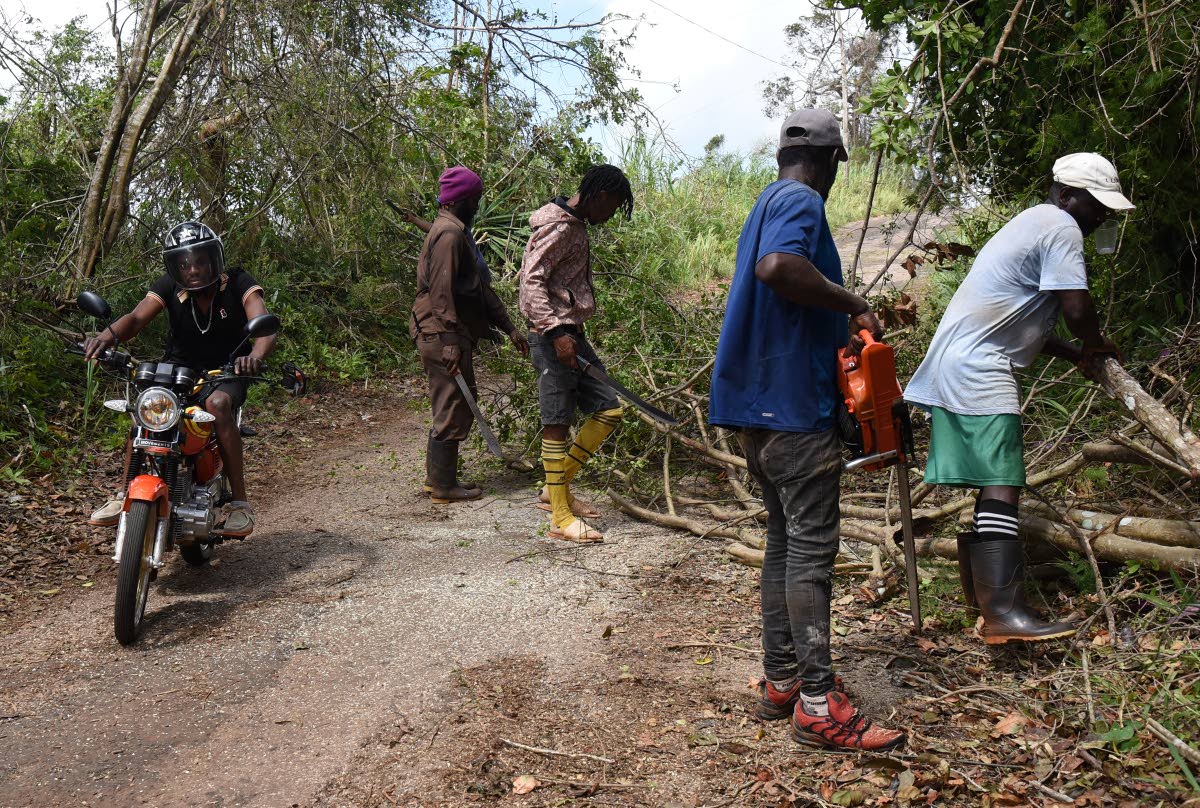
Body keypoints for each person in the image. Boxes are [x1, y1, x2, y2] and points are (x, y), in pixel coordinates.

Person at [709, 109, 906, 752]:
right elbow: (778, 268)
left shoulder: (765, 202)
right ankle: (820, 705)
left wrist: (833, 324)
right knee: (812, 552)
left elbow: (777, 284)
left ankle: (783, 680)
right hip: (793, 412)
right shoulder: (800, 201)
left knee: (783, 543)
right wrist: (855, 303)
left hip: (756, 410)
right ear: (828, 161)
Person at [905, 152, 1133, 644]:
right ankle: (1004, 614)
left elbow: (1021, 322)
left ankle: (985, 604)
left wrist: (1076, 354)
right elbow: (1076, 307)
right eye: (1096, 205)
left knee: (992, 483)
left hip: (962, 358)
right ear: (1067, 196)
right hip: (979, 365)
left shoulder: (1034, 222)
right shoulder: (1061, 227)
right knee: (1003, 481)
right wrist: (1094, 343)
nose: (1101, 216)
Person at [85, 221, 276, 537]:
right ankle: (123, 494)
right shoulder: (169, 287)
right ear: (175, 267)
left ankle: (240, 504)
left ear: (215, 259)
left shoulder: (239, 282)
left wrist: (254, 356)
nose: (193, 270)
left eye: (200, 261)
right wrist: (105, 338)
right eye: (184, 264)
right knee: (147, 406)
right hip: (179, 369)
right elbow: (136, 318)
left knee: (218, 404)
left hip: (228, 369)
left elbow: (263, 324)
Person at [518, 164, 634, 543]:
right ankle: (560, 517)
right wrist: (554, 332)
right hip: (553, 336)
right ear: (599, 196)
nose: (611, 216)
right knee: (557, 421)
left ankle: (556, 489)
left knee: (609, 409)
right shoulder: (560, 228)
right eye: (612, 207)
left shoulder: (575, 225)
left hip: (572, 334)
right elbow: (531, 280)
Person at [410, 166, 528, 503]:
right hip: (440, 332)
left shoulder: (456, 232)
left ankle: (438, 480)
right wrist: (449, 340)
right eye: (474, 199)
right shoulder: (448, 235)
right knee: (453, 400)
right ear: (457, 200)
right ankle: (442, 485)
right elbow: (441, 291)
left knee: (457, 399)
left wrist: (508, 327)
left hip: (446, 330)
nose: (477, 205)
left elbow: (478, 288)